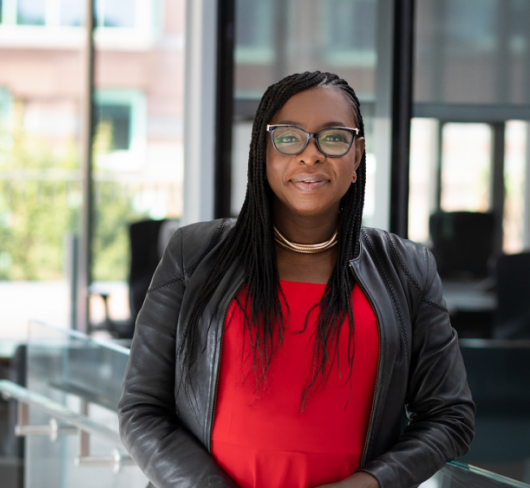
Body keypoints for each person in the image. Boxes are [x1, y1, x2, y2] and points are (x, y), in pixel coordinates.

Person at [118, 71, 475, 488]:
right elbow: (141, 410)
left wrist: (369, 485)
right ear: (262, 151)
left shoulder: (407, 269)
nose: (311, 156)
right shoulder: (193, 254)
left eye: (333, 138)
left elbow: (450, 417)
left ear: (357, 155)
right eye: (289, 138)